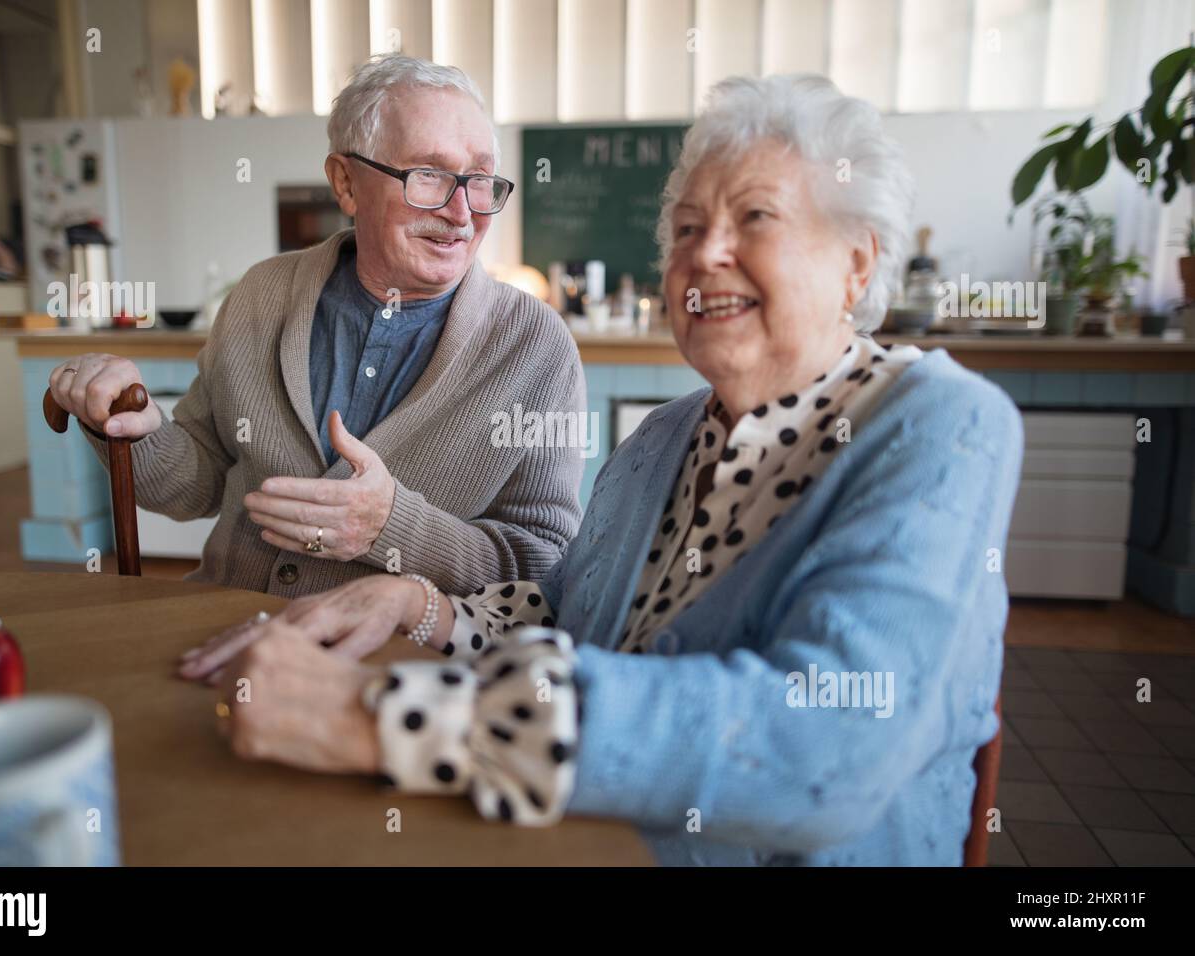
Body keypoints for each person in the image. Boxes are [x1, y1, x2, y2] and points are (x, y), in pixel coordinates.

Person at [185, 74, 1024, 866]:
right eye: (688, 229)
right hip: (577, 837)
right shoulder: (665, 436)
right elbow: (566, 611)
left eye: (756, 219)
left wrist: (391, 722)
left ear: (857, 263)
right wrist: (420, 601)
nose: (706, 255)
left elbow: (830, 738)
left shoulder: (937, 424)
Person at [46, 55, 584, 596]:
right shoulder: (262, 294)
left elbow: (544, 568)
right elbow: (197, 483)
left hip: (400, 662)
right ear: (345, 183)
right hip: (229, 626)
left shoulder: (536, 350)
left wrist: (390, 528)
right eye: (428, 175)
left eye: (480, 180)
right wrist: (136, 432)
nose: (463, 213)